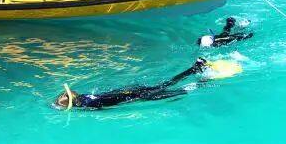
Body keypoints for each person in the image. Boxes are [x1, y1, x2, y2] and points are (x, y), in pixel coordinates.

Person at [53, 58, 208, 110]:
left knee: (174, 92)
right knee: (165, 84)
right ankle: (194, 68)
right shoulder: (85, 96)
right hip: (130, 91)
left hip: (136, 96)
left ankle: (199, 84)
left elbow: (102, 108)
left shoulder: (87, 106)